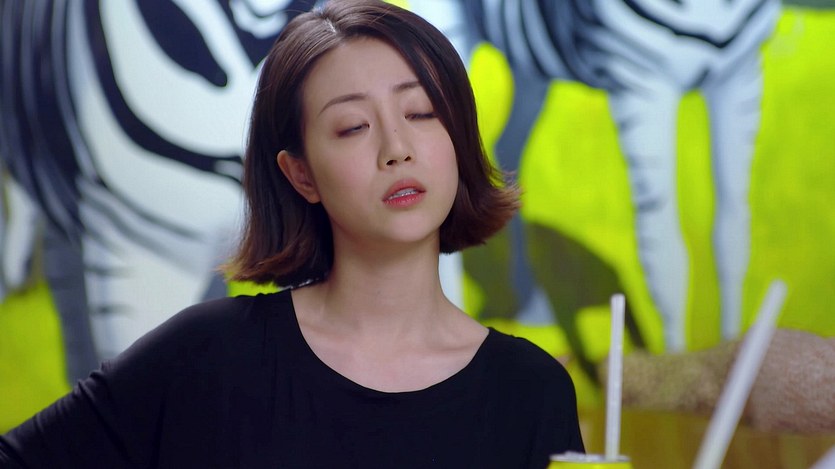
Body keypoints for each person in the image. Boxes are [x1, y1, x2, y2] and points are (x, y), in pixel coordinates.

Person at [0, 0, 584, 467]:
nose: (397, 148)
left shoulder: (532, 390)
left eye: (421, 112)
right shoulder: (206, 354)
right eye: (353, 126)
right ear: (301, 174)